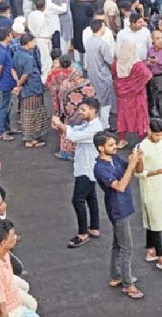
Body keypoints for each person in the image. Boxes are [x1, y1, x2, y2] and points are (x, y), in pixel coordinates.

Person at [93, 131, 145, 300]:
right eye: (110, 145)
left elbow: (137, 171)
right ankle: (128, 284)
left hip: (123, 206)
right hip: (117, 209)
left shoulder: (114, 159)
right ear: (101, 148)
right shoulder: (100, 168)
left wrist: (138, 160)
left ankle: (116, 275)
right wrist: (131, 165)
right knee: (126, 247)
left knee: (118, 243)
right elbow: (121, 186)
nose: (115, 146)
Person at [51, 97, 104, 248]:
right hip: (86, 166)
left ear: (93, 110)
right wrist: (62, 126)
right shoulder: (89, 124)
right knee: (90, 197)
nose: (80, 112)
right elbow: (73, 130)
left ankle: (82, 233)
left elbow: (74, 136)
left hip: (86, 168)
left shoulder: (94, 128)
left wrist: (60, 124)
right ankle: (94, 227)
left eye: (83, 109)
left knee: (78, 200)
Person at [136, 118, 162, 272]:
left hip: (160, 186)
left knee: (154, 219)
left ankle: (150, 250)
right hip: (149, 187)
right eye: (157, 135)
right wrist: (157, 172)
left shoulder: (160, 142)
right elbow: (138, 173)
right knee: (156, 221)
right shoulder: (141, 148)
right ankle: (160, 257)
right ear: (149, 131)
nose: (159, 138)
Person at [12, 33, 49, 148]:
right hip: (32, 88)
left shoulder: (17, 53)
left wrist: (17, 82)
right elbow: (26, 74)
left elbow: (12, 69)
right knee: (32, 114)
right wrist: (19, 84)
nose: (34, 44)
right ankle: (30, 139)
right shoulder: (28, 57)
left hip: (27, 88)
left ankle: (31, 137)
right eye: (33, 42)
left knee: (28, 113)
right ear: (28, 43)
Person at [112, 40, 153, 143]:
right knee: (140, 115)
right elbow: (147, 75)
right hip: (137, 95)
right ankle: (142, 138)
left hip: (122, 96)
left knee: (122, 115)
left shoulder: (116, 63)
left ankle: (122, 139)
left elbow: (114, 75)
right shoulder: (137, 64)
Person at [84, 19, 115, 129]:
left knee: (95, 99)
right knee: (106, 101)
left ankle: (95, 122)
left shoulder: (88, 42)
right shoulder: (102, 44)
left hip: (92, 75)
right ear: (101, 28)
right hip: (103, 75)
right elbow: (110, 61)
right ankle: (105, 125)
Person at [0, 27, 17, 141]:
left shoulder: (4, 48)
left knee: (8, 106)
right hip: (5, 83)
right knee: (4, 107)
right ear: (7, 36)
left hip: (8, 81)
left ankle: (7, 128)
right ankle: (1, 131)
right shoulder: (1, 51)